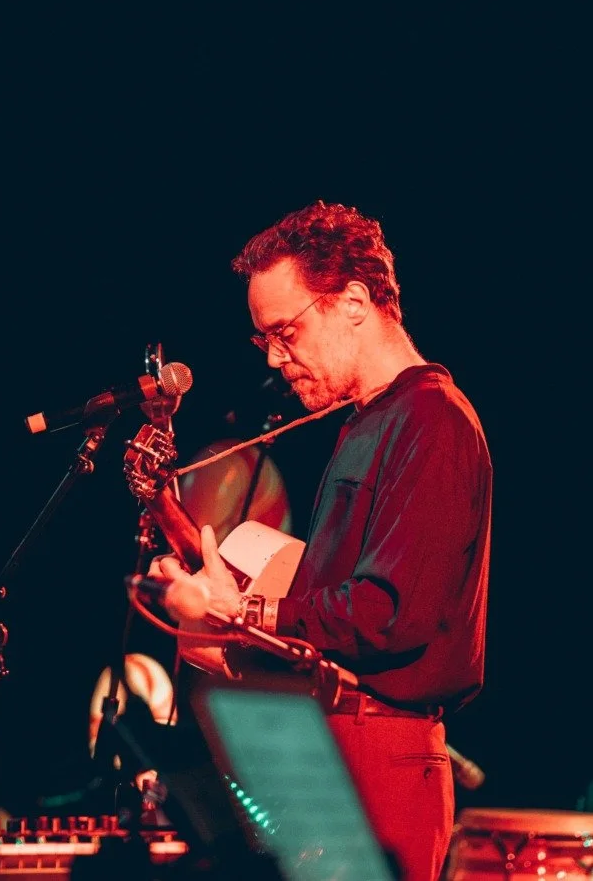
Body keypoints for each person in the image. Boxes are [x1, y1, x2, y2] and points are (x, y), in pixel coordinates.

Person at [150, 200, 492, 881]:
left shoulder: (430, 420)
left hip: (381, 755)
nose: (276, 358)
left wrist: (240, 612)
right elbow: (325, 607)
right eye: (263, 340)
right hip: (333, 742)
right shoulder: (363, 424)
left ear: (355, 301)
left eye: (285, 331)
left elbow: (386, 614)